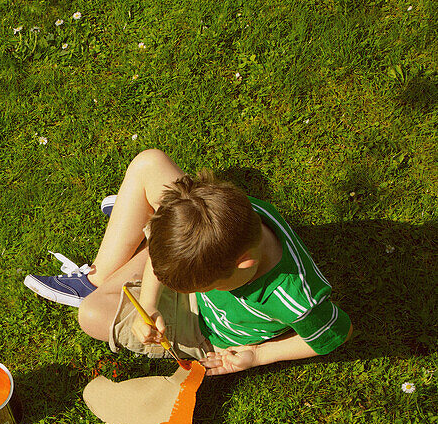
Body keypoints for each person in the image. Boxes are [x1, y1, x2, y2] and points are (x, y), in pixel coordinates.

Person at [24, 149, 353, 375]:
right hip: (194, 262)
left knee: (92, 314)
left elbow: (337, 334)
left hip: (205, 331)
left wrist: (258, 355)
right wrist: (149, 305)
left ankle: (144, 227)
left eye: (208, 286)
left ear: (244, 263)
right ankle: (133, 246)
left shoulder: (291, 296)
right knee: (149, 163)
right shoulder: (237, 213)